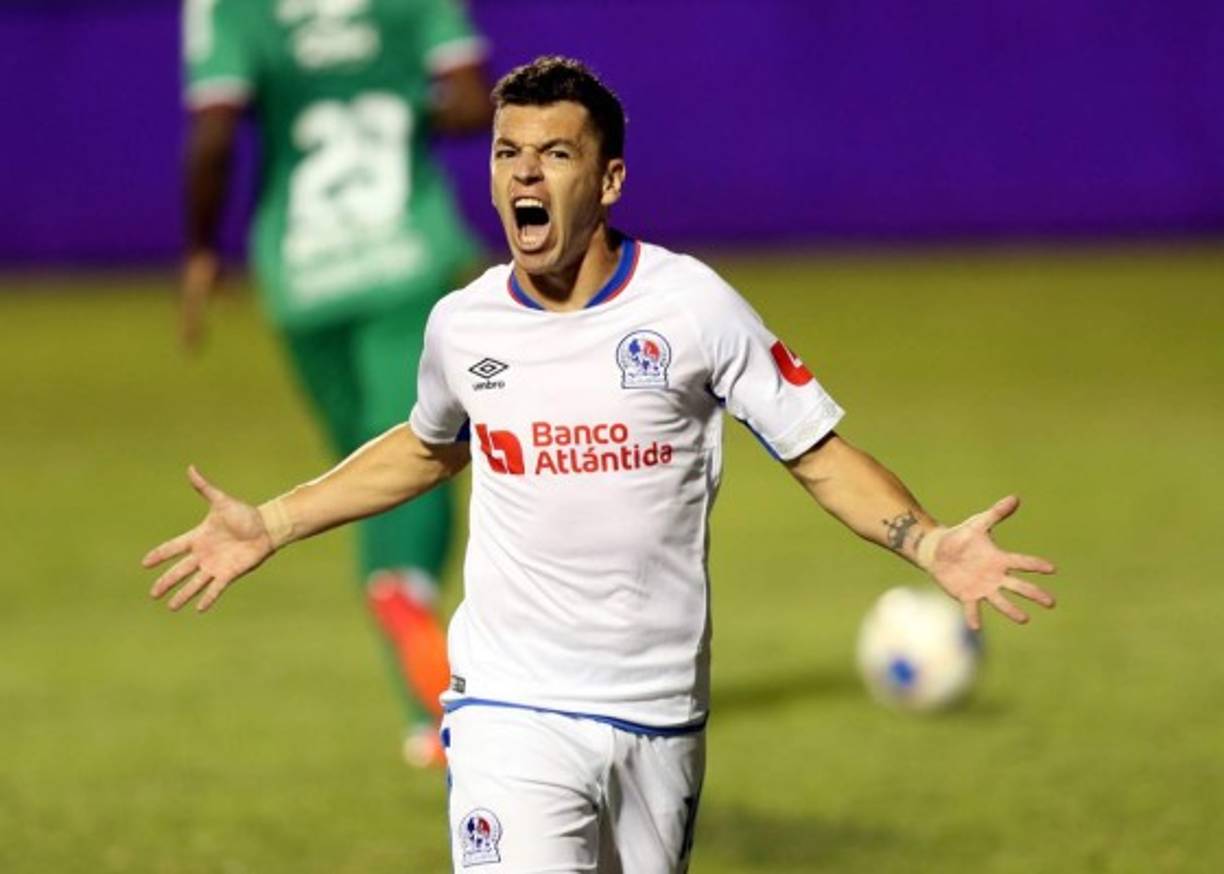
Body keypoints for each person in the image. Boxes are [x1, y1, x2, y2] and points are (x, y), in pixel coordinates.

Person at [146, 56, 1057, 873]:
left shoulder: (692, 309)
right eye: (508, 154)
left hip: (658, 712)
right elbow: (430, 446)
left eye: (555, 154)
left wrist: (929, 543)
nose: (524, 176)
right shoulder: (463, 326)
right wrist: (270, 523)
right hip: (509, 705)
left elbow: (816, 455)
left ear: (610, 177)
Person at [179, 0, 493, 766]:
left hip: (303, 276)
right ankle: (413, 611)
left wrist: (199, 250)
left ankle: (423, 707)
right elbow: (473, 102)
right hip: (404, 261)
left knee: (362, 466)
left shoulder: (232, 8)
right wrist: (401, 105)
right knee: (419, 458)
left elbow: (215, 134)